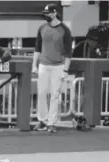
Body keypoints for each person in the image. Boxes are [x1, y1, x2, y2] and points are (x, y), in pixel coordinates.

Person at [32, 3, 72, 133]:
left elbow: (68, 53)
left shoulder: (65, 30)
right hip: (43, 64)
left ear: (55, 13)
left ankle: (51, 123)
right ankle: (42, 121)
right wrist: (34, 64)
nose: (46, 15)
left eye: (48, 13)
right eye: (45, 13)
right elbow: (37, 48)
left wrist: (66, 70)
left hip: (58, 66)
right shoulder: (42, 28)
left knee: (55, 95)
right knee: (42, 93)